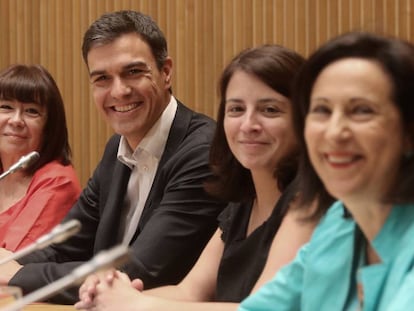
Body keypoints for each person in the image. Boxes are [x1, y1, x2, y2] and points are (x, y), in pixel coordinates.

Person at [0, 10, 225, 304]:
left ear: (166, 72)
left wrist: (16, 275)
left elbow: (137, 271)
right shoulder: (116, 148)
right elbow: (67, 244)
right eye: (102, 78)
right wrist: (8, 267)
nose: (118, 91)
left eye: (133, 72)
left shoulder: (202, 151)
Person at [74, 44, 320, 311]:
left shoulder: (310, 200)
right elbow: (189, 291)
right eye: (236, 109)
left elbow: (264, 309)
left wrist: (136, 305)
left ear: (304, 119)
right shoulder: (243, 202)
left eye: (270, 110)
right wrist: (110, 292)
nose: (248, 125)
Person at [237, 32, 414, 311]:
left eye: (361, 111)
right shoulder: (338, 224)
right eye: (322, 110)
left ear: (408, 132)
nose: (334, 132)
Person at [0, 64, 81, 251]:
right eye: (6, 107)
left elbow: (11, 261)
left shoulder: (58, 181)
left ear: (48, 127)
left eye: (31, 111)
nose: (16, 120)